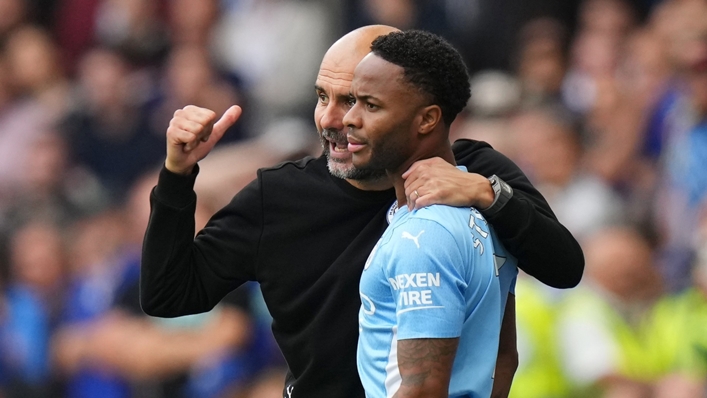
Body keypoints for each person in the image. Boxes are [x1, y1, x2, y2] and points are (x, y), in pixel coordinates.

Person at [140, 25, 584, 398]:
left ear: (420, 113)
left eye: (358, 101)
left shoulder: (477, 172)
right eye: (321, 97)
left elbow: (564, 266)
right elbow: (169, 294)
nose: (333, 119)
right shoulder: (278, 197)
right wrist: (178, 174)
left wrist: (488, 194)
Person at [347, 29, 518, 398]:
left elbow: (422, 389)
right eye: (353, 102)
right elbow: (505, 359)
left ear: (427, 119)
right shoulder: (483, 210)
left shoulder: (423, 235)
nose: (350, 118)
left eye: (370, 105)